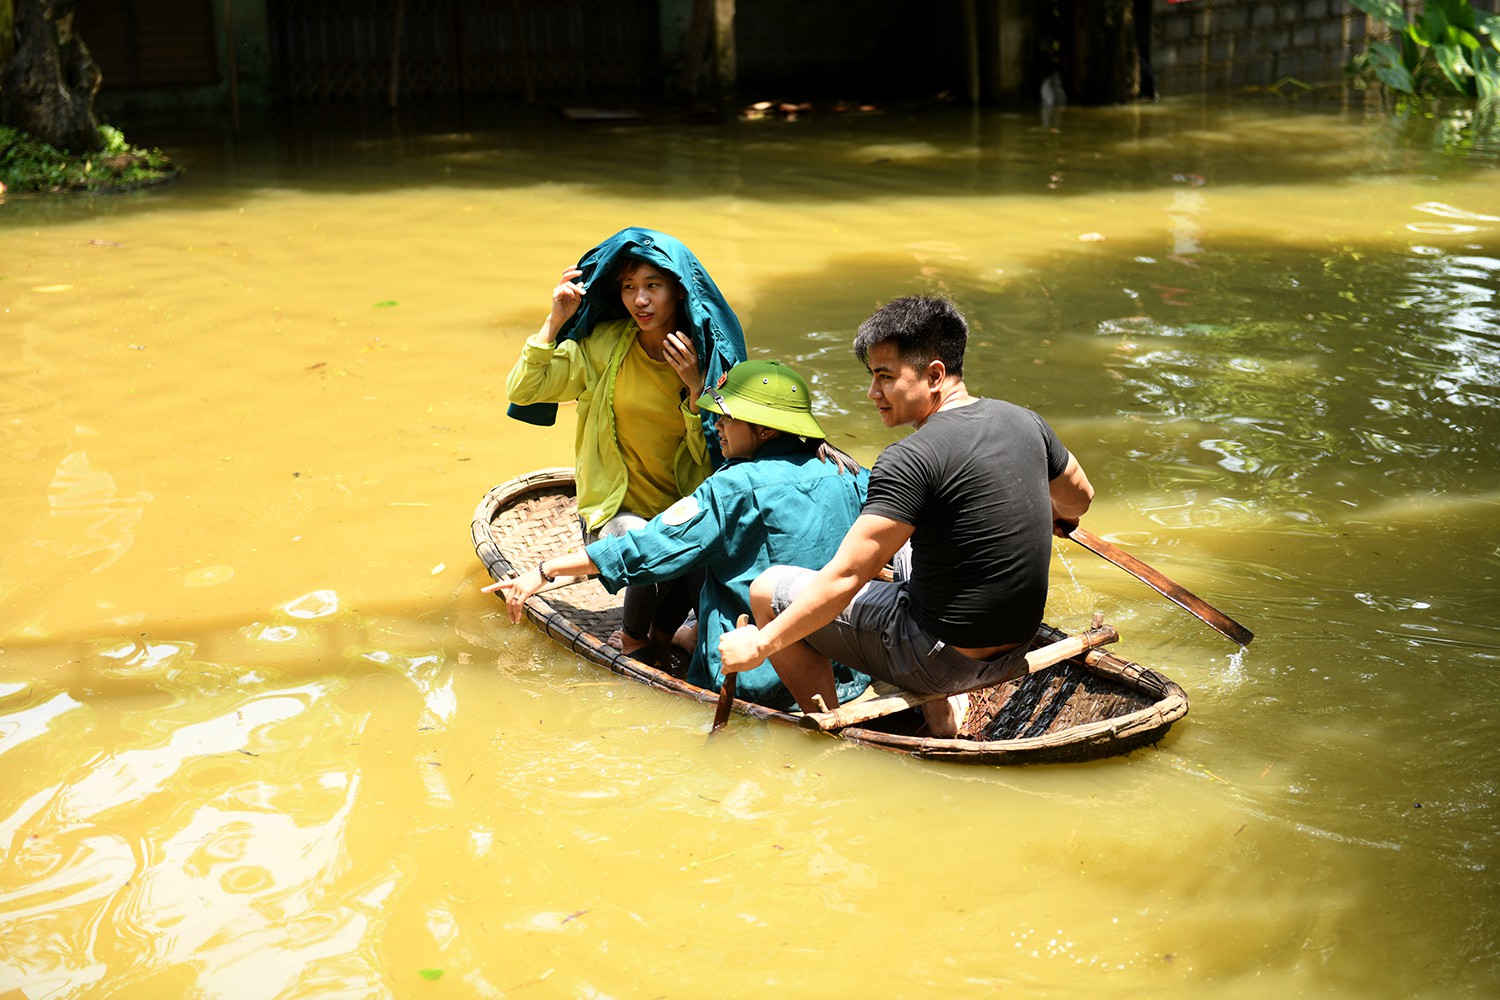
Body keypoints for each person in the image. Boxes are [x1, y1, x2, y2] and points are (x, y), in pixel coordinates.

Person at [718, 295, 1095, 737]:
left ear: (935, 375)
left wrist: (760, 644)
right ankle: (939, 712)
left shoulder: (909, 458)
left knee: (766, 590)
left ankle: (833, 728)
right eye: (872, 376)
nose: (872, 393)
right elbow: (1080, 498)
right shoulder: (1026, 422)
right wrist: (1052, 514)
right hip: (1016, 648)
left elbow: (844, 578)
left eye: (885, 377)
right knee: (906, 545)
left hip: (939, 658)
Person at [487, 361, 871, 712]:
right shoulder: (849, 471)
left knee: (676, 544)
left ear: (765, 430)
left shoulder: (734, 486)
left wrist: (545, 570)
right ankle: (687, 636)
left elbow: (647, 547)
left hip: (757, 677)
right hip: (849, 669)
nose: (717, 426)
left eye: (725, 417)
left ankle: (653, 639)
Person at [506, 228, 746, 662]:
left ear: (679, 291)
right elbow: (526, 390)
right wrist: (555, 319)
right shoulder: (603, 347)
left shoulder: (705, 358)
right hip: (620, 516)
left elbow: (722, 456)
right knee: (641, 539)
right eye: (630, 287)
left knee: (722, 593)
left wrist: (695, 388)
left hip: (686, 515)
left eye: (653, 286)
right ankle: (635, 638)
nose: (641, 301)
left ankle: (675, 633)